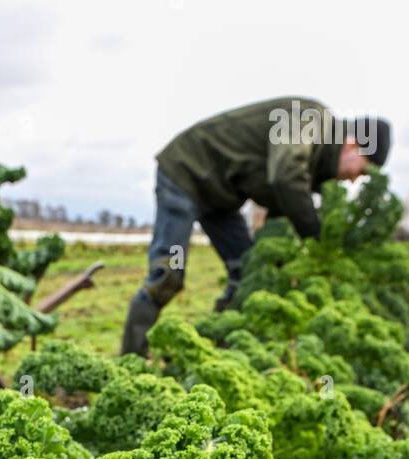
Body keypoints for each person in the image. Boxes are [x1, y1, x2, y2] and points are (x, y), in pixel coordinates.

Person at [121, 96, 391, 355]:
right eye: (363, 171)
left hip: (221, 200)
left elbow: (281, 208)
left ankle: (216, 350)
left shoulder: (318, 163)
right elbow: (285, 175)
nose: (355, 181)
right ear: (354, 145)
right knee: (170, 271)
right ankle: (131, 360)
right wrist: (316, 235)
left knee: (250, 271)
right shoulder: (309, 118)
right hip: (186, 175)